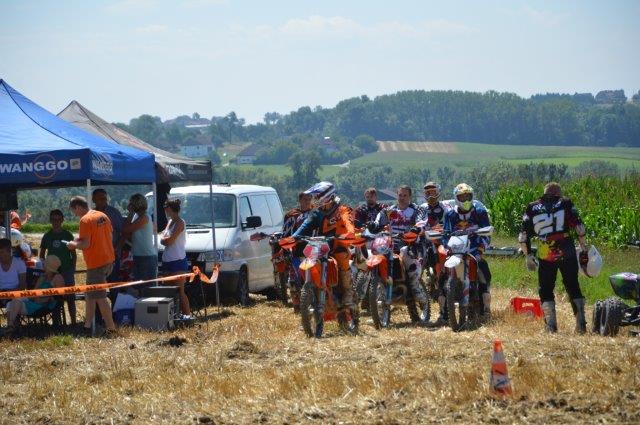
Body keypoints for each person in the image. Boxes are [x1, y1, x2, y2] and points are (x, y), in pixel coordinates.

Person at [519, 182, 588, 334]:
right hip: (566, 248)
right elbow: (580, 228)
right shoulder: (565, 202)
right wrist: (583, 247)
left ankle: (550, 327)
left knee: (545, 289)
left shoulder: (532, 207)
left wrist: (528, 255)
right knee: (572, 285)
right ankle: (581, 324)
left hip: (546, 250)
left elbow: (523, 237)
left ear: (545, 192)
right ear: (558, 193)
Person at [292, 182, 356, 308]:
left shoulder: (342, 210)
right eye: (316, 197)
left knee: (342, 255)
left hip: (338, 244)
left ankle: (348, 292)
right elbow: (306, 225)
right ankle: (311, 288)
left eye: (318, 197)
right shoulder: (317, 213)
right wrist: (293, 238)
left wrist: (350, 233)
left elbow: (348, 223)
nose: (316, 199)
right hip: (321, 246)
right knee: (308, 257)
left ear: (329, 197)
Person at [368, 185, 428, 308]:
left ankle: (416, 288)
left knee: (406, 253)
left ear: (410, 196)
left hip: (410, 244)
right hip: (390, 244)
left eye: (405, 195)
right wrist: (373, 225)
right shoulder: (389, 210)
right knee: (374, 254)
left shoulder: (417, 210)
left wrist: (417, 228)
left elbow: (421, 222)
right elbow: (378, 221)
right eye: (400, 195)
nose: (402, 198)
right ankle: (372, 289)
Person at [66, 196, 116, 335]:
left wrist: (73, 244)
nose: (74, 214)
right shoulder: (102, 216)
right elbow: (107, 235)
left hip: (96, 264)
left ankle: (111, 328)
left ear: (78, 207)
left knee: (100, 297)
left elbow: (85, 244)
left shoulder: (85, 220)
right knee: (90, 294)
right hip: (108, 260)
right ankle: (87, 326)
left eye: (74, 211)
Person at [442, 183, 492, 318]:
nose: (465, 200)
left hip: (474, 249)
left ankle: (485, 307)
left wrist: (481, 248)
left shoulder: (480, 212)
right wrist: (447, 248)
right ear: (456, 198)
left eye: (468, 196)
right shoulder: (450, 215)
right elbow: (445, 234)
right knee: (443, 275)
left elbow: (487, 233)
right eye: (462, 197)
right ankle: (444, 311)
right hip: (456, 250)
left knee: (483, 270)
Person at [4, 255, 66, 335]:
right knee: (11, 302)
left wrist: (43, 298)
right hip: (35, 300)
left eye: (45, 264)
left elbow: (59, 297)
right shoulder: (43, 277)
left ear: (49, 266)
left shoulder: (57, 278)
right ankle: (11, 326)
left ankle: (11, 326)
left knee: (15, 301)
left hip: (44, 305)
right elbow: (34, 292)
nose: (43, 265)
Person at [417, 181, 450, 324]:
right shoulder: (422, 208)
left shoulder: (445, 207)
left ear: (438, 192)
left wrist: (442, 229)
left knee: (441, 274)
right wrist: (420, 227)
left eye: (433, 191)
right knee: (415, 270)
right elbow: (418, 222)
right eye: (427, 192)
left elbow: (449, 223)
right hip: (423, 243)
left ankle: (444, 311)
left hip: (439, 242)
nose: (430, 195)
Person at [39, 209, 77, 325]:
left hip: (67, 270)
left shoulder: (67, 234)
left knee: (70, 298)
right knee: (55, 298)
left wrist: (73, 268)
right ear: (50, 220)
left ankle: (74, 322)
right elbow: (42, 254)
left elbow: (73, 254)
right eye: (54, 219)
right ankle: (57, 323)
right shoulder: (47, 236)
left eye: (58, 219)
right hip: (53, 272)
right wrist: (46, 267)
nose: (56, 222)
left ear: (62, 220)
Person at [160, 198, 191, 319]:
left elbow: (169, 241)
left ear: (170, 209)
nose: (164, 210)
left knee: (180, 291)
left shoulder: (180, 222)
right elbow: (164, 238)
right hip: (167, 261)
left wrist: (164, 240)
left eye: (166, 207)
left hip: (178, 261)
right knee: (168, 292)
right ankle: (173, 317)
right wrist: (164, 240)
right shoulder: (170, 222)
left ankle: (187, 316)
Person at [282, 191, 313, 311]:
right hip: (296, 252)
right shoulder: (291, 215)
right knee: (294, 281)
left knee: (311, 279)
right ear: (300, 200)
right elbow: (285, 233)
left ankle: (312, 304)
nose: (307, 202)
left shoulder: (315, 214)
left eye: (309, 199)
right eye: (305, 199)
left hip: (311, 252)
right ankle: (296, 307)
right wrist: (285, 249)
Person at [121, 194, 157, 286]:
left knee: (146, 289)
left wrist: (130, 213)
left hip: (146, 257)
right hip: (139, 256)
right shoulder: (138, 217)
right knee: (140, 288)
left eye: (131, 203)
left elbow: (125, 229)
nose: (129, 205)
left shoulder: (144, 217)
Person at [92, 189, 123, 282]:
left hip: (112, 255)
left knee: (113, 282)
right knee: (97, 283)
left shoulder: (114, 213)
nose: (103, 201)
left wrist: (117, 248)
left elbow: (124, 232)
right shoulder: (90, 214)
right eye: (100, 198)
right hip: (96, 255)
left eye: (105, 198)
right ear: (93, 200)